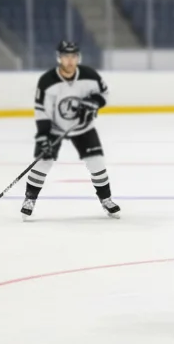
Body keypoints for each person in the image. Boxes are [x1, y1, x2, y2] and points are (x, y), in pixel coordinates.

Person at [23, 40, 120, 221]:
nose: (70, 60)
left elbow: (104, 94)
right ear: (59, 58)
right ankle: (29, 200)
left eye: (73, 56)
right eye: (66, 56)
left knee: (97, 163)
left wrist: (95, 102)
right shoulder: (47, 81)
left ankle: (106, 200)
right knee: (42, 163)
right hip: (54, 128)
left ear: (78, 57)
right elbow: (41, 110)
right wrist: (44, 136)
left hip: (83, 127)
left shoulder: (89, 75)